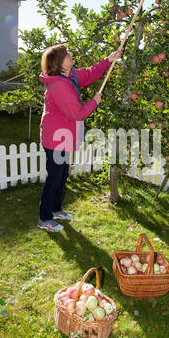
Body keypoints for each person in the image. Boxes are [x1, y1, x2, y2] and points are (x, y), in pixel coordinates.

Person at [37, 44, 122, 232]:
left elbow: (90, 74)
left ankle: (56, 209)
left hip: (64, 136)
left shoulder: (70, 76)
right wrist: (94, 101)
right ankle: (44, 217)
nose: (71, 55)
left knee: (62, 175)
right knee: (55, 178)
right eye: (67, 54)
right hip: (55, 138)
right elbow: (78, 114)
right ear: (59, 63)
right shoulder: (58, 86)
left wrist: (108, 60)